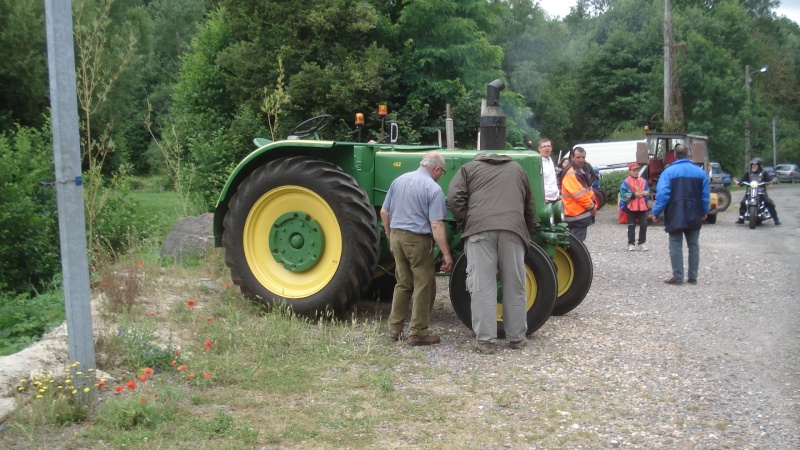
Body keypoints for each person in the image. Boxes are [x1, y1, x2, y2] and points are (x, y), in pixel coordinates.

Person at [448, 152, 537, 354]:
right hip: (513, 229)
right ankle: (517, 337)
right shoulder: (518, 169)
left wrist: (466, 222)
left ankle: (486, 341)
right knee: (515, 285)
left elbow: (455, 198)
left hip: (480, 231)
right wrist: (526, 231)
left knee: (482, 286)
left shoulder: (468, 168)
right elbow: (530, 205)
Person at [380, 151, 454, 346]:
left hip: (396, 235)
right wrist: (446, 254)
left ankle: (394, 328)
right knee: (424, 284)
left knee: (403, 283)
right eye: (442, 172)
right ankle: (418, 333)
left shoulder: (399, 180)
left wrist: (389, 235)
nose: (440, 176)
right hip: (417, 240)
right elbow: (437, 224)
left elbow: (384, 211)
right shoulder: (433, 188)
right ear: (436, 168)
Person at [651, 145, 710, 285]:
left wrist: (656, 212)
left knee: (676, 245)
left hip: (675, 212)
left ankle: (678, 277)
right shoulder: (700, 173)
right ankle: (693, 277)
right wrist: (704, 211)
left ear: (675, 156)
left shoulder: (668, 172)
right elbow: (705, 195)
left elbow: (663, 194)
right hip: (694, 212)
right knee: (694, 245)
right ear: (688, 155)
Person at [560, 147, 596, 241]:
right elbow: (580, 195)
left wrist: (592, 195)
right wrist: (591, 207)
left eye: (583, 157)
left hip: (576, 214)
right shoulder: (572, 174)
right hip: (576, 215)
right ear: (572, 157)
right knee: (576, 245)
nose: (581, 160)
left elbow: (584, 189)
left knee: (575, 243)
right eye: (578, 157)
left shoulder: (578, 171)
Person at [735, 157, 781, 225]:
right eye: (753, 165)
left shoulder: (764, 173)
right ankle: (741, 218)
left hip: (761, 192)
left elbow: (769, 179)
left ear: (759, 166)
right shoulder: (748, 173)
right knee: (743, 203)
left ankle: (776, 219)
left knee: (769, 203)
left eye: (755, 165)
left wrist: (770, 183)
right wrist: (739, 183)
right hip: (750, 192)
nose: (754, 166)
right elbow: (743, 180)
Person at [619, 162, 649, 251]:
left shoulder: (643, 181)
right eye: (634, 170)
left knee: (644, 224)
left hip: (641, 206)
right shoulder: (626, 181)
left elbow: (647, 189)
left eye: (637, 170)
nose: (636, 172)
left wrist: (645, 193)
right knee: (631, 225)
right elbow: (623, 194)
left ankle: (642, 242)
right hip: (631, 207)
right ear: (629, 171)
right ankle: (631, 243)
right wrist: (633, 195)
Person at [537, 138, 559, 203]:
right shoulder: (538, 162)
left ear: (551, 148)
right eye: (544, 146)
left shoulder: (550, 160)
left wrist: (557, 193)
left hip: (555, 197)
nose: (547, 148)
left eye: (548, 146)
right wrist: (541, 198)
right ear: (539, 149)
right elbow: (536, 182)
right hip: (545, 199)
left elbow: (553, 179)